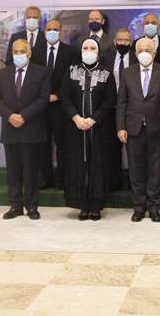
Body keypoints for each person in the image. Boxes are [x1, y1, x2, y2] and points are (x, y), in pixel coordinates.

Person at [116, 37, 160, 223]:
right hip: (133, 129)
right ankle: (138, 207)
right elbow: (122, 103)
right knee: (136, 170)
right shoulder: (127, 73)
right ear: (135, 54)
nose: (144, 53)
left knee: (156, 170)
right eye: (140, 50)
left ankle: (154, 207)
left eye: (148, 50)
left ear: (154, 53)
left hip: (157, 129)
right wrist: (120, 127)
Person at [60, 38, 117, 220]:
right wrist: (76, 117)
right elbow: (65, 97)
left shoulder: (106, 73)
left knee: (98, 165)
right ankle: (82, 205)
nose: (89, 50)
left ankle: (96, 206)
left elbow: (110, 100)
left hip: (99, 129)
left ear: (98, 53)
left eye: (93, 48)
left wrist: (93, 119)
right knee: (77, 164)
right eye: (86, 47)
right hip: (75, 128)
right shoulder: (71, 71)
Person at [0, 39, 50, 220]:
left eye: (22, 51)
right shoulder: (3, 74)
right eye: (15, 51)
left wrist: (24, 116)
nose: (18, 55)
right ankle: (15, 205)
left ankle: (32, 206)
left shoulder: (41, 72)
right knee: (13, 170)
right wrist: (10, 115)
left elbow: (43, 98)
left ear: (29, 53)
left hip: (31, 128)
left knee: (31, 170)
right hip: (10, 129)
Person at [31, 19, 76, 189]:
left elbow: (71, 78)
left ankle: (62, 179)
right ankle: (46, 178)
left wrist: (58, 95)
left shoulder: (70, 52)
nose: (52, 32)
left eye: (55, 29)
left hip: (61, 105)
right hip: (40, 105)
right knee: (43, 144)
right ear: (44, 32)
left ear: (61, 31)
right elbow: (33, 78)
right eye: (49, 29)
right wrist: (43, 97)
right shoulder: (35, 51)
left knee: (62, 143)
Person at [101, 28, 136, 191]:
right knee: (111, 148)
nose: (123, 43)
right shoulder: (106, 58)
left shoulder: (137, 58)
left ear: (131, 42)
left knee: (134, 148)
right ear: (115, 42)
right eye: (120, 40)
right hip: (111, 109)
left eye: (126, 40)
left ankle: (134, 184)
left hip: (132, 109)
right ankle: (114, 183)